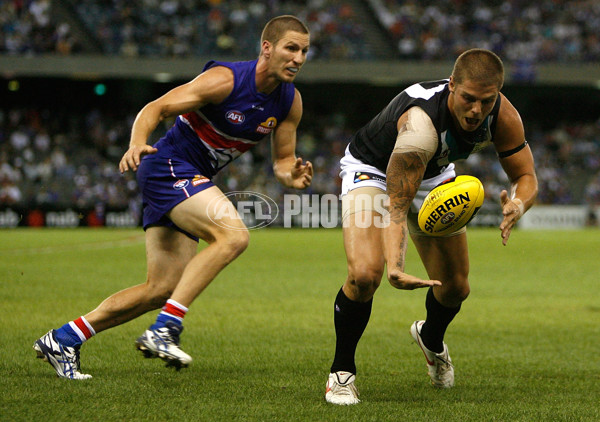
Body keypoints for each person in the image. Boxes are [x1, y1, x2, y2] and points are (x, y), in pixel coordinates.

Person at [33, 15, 313, 379]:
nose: (299, 58)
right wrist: (136, 143)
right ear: (267, 48)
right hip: (167, 164)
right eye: (291, 48)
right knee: (233, 235)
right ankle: (165, 329)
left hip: (188, 178)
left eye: (305, 51)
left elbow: (282, 160)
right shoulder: (225, 80)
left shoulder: (290, 102)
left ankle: (64, 339)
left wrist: (290, 174)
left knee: (161, 288)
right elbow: (156, 108)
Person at [324, 48, 538, 405]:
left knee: (455, 288)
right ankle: (341, 372)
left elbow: (526, 175)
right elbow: (396, 205)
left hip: (435, 174)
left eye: (485, 102)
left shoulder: (504, 115)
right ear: (452, 85)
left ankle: (431, 338)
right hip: (374, 170)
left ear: (497, 94)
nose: (475, 110)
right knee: (365, 274)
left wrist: (519, 202)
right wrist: (395, 267)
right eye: (468, 98)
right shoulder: (421, 123)